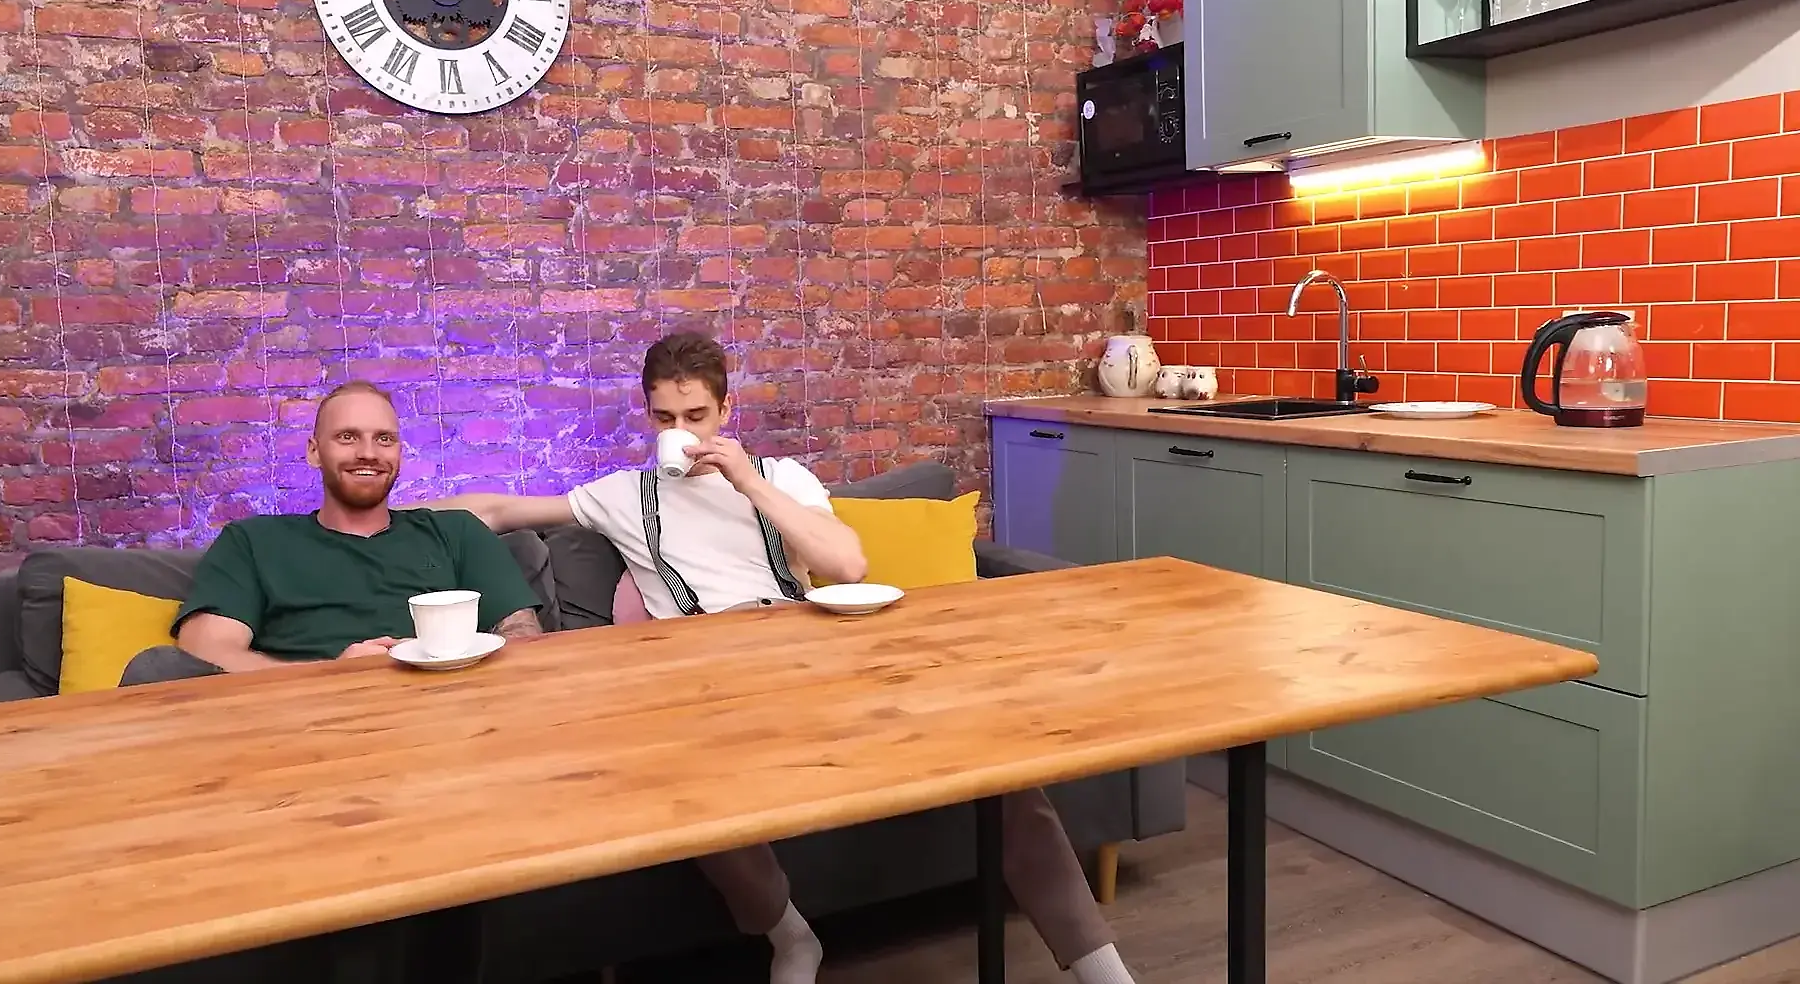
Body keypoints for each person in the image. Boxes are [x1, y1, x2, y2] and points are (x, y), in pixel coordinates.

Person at [427, 331, 1143, 984]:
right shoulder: (623, 496)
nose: (681, 434)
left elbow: (848, 564)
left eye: (697, 416)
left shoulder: (781, 478)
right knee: (684, 786)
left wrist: (747, 481)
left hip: (813, 656)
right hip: (707, 682)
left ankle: (1101, 967)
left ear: (725, 410)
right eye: (665, 419)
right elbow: (499, 511)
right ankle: (792, 937)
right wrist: (392, 513)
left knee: (997, 763)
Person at [123, 379, 542, 685]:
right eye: (347, 437)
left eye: (384, 439)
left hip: (441, 703)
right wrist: (334, 675)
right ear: (314, 452)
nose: (368, 453)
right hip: (300, 712)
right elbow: (207, 649)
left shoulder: (457, 531)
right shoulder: (254, 541)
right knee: (156, 670)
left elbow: (523, 638)